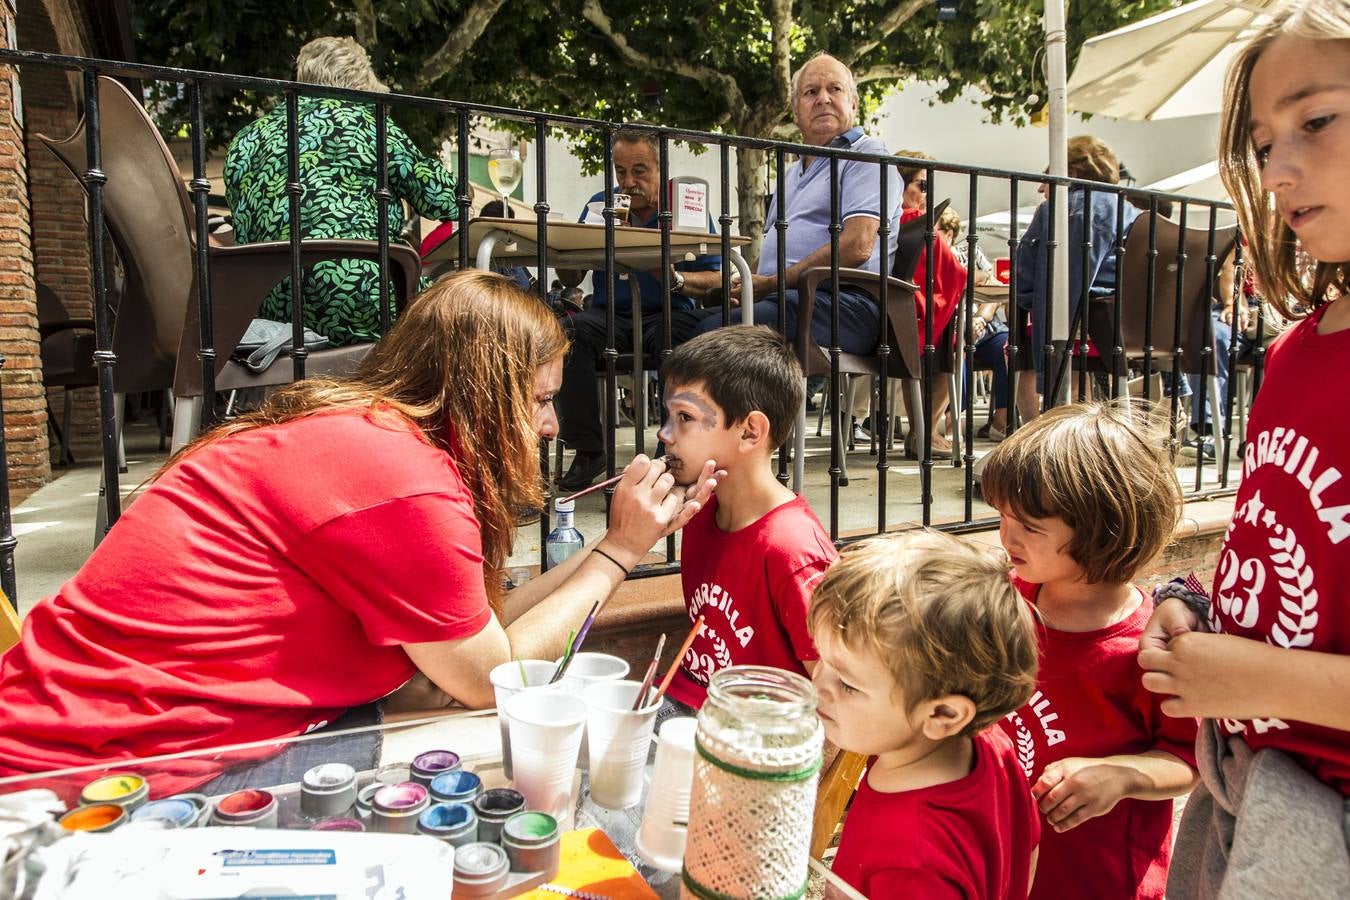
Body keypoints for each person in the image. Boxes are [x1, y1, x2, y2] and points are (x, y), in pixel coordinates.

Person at [0, 271, 718, 794]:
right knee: (530, 754)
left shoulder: (367, 438)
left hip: (73, 740)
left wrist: (613, 548)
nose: (551, 426)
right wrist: (620, 552)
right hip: (97, 780)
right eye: (539, 399)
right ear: (485, 389)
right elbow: (491, 682)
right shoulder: (404, 480)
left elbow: (480, 639)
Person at [1138, 3, 1350, 895]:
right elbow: (1292, 548)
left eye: (1317, 119)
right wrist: (1199, 607)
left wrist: (1260, 677)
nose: (1278, 170)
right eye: (1265, 142)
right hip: (1241, 797)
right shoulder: (1298, 348)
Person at [981, 402, 1197, 900]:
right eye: (1002, 515)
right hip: (1003, 863)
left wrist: (1121, 777)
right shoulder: (1002, 600)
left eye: (1030, 526)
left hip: (1096, 879)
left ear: (1102, 528)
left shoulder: (1151, 646)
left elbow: (1189, 759)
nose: (1006, 535)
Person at [811, 530, 1041, 898]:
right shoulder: (990, 745)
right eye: (822, 657)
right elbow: (1028, 848)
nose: (818, 683)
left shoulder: (912, 862)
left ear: (944, 714)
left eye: (848, 683)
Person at [224, 36, 458, 346]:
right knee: (462, 311)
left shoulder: (247, 138)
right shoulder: (365, 121)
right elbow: (445, 201)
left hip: (265, 305)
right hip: (357, 297)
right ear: (360, 87)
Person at [655, 326, 835, 719]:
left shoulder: (794, 551)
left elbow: (832, 690)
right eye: (667, 416)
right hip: (684, 699)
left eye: (684, 417)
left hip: (748, 735)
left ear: (750, 431)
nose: (664, 434)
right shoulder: (701, 511)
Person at [694, 53, 901, 359]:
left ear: (854, 103)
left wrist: (769, 284)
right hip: (787, 301)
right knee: (673, 329)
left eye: (835, 89)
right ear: (795, 111)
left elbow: (857, 246)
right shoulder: (791, 174)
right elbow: (771, 255)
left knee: (712, 336)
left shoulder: (867, 155)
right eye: (811, 92)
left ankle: (754, 408)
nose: (823, 99)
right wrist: (746, 285)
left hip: (844, 304)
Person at [553, 129, 724, 493]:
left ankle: (672, 449)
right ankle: (588, 448)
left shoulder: (684, 204)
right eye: (620, 172)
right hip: (610, 312)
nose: (628, 182)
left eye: (640, 171)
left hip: (668, 310)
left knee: (681, 337)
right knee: (569, 333)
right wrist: (578, 246)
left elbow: (718, 275)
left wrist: (669, 274)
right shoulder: (602, 203)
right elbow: (570, 273)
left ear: (661, 170)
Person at [1015, 137, 1139, 421]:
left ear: (1071, 171)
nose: (1039, 186)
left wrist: (1049, 372)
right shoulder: (1131, 211)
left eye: (1047, 174)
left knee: (1026, 337)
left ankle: (1042, 436)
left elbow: (1036, 286)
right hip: (1134, 331)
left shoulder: (1067, 210)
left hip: (1088, 330)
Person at [938, 209, 1010, 441]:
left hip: (984, 326)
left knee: (1008, 348)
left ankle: (1001, 422)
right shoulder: (930, 256)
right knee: (957, 348)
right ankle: (953, 424)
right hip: (951, 328)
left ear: (949, 233)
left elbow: (994, 288)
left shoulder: (969, 252)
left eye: (936, 230)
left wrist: (980, 317)